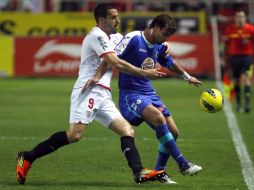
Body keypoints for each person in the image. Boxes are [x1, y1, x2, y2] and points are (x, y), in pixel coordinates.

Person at [16, 3, 167, 185]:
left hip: (103, 94)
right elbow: (115, 62)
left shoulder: (116, 37)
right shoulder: (96, 35)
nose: (118, 20)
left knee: (127, 130)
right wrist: (144, 73)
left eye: (118, 16)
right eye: (113, 17)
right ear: (101, 20)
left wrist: (159, 42)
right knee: (74, 135)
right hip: (88, 90)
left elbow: (134, 43)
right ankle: (28, 157)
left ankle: (139, 172)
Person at [87, 14, 203, 184]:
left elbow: (169, 63)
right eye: (164, 34)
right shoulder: (133, 38)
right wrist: (97, 76)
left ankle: (160, 172)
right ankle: (183, 163)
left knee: (174, 132)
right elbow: (111, 59)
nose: (166, 38)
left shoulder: (160, 45)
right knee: (158, 118)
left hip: (149, 93)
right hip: (131, 94)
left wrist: (187, 76)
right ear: (155, 27)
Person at [221, 10, 254, 113]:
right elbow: (224, 44)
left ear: (245, 18)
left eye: (242, 16)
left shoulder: (251, 29)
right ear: (235, 18)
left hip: (247, 58)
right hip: (234, 58)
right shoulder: (230, 29)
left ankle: (247, 103)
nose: (240, 19)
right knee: (236, 81)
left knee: (246, 79)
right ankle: (239, 104)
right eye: (238, 16)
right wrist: (222, 57)